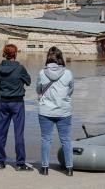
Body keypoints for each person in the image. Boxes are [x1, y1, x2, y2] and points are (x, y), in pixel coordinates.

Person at [36, 46, 74, 176]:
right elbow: (71, 90)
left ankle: (45, 168)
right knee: (66, 140)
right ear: (60, 57)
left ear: (48, 57)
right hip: (64, 111)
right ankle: (69, 169)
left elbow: (38, 90)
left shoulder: (42, 73)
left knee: (46, 139)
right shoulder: (68, 73)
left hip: (45, 111)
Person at [0, 44, 33, 171]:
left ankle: (0, 162)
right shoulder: (20, 68)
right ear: (15, 54)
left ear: (4, 54)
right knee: (18, 134)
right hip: (17, 102)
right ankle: (20, 163)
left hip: (3, 102)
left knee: (1, 133)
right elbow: (28, 81)